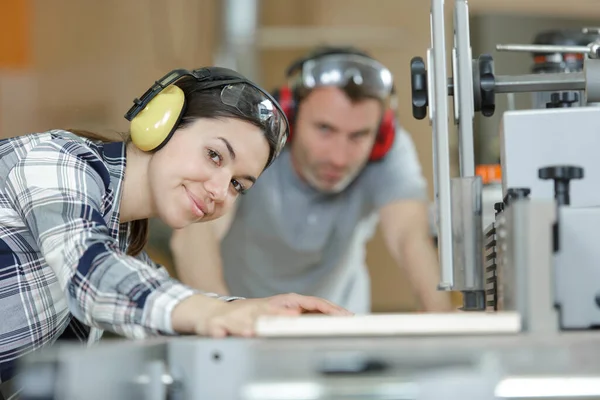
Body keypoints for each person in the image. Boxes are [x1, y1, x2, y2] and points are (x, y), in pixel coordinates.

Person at [0, 67, 351, 389]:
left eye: (237, 185)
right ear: (159, 121)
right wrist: (216, 313)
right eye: (214, 155)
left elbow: (151, 302)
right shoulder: (52, 161)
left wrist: (268, 316)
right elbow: (94, 278)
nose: (219, 191)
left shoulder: (119, 241)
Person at [170, 47, 454, 314]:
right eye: (324, 129)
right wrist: (224, 317)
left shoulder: (391, 150)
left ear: (381, 136)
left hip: (340, 325)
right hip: (245, 317)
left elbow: (409, 236)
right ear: (289, 116)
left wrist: (446, 321)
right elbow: (195, 235)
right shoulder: (252, 137)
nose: (339, 158)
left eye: (359, 136)